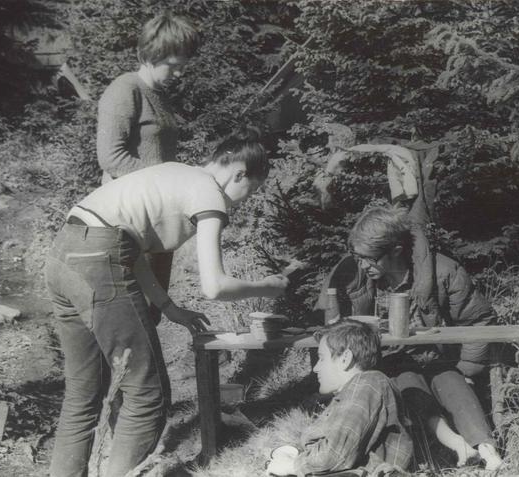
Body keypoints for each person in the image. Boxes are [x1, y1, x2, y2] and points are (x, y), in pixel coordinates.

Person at [46, 127, 289, 477]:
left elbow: (131, 247)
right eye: (250, 190)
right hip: (98, 260)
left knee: (83, 394)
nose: (244, 199)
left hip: (63, 255)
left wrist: (169, 307)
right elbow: (214, 286)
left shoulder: (176, 174)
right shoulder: (209, 192)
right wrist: (265, 287)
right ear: (239, 173)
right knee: (147, 397)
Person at [315, 205, 503, 470]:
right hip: (389, 363)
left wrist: (468, 369)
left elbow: (478, 319)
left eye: (370, 259)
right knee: (408, 384)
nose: (363, 265)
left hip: (438, 358)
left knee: (453, 381)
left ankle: (487, 450)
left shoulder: (443, 271)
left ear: (396, 251)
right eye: (358, 257)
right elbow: (336, 329)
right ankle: (456, 444)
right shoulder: (355, 278)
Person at [97, 12, 199, 314]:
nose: (179, 73)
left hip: (156, 221)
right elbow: (111, 158)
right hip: (128, 223)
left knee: (152, 312)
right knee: (130, 315)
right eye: (173, 65)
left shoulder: (159, 95)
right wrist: (168, 180)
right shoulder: (124, 90)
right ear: (153, 53)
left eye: (183, 66)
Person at [266, 320, 413, 477]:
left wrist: (293, 466)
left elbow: (333, 455)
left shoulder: (369, 382)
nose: (316, 368)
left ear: (345, 359)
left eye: (322, 358)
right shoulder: (347, 395)